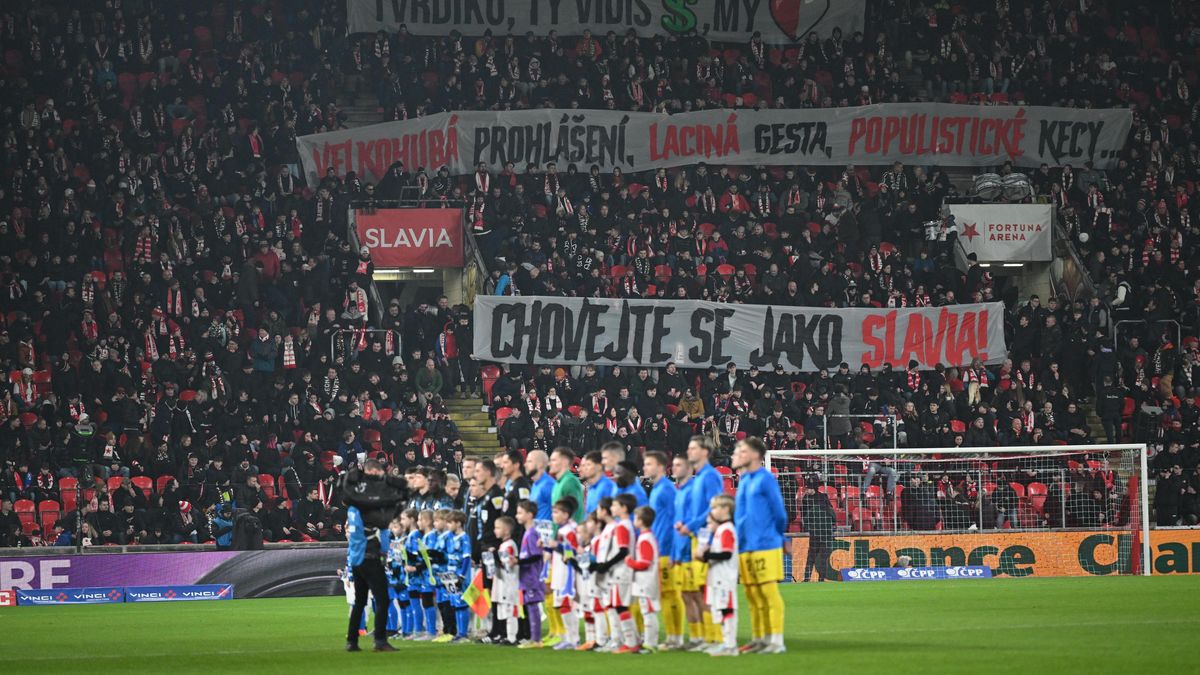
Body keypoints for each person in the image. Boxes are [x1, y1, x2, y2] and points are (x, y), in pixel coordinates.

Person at [731, 436, 788, 654]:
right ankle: (759, 638)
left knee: (768, 592)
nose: (738, 455)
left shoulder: (765, 478)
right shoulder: (745, 479)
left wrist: (777, 536)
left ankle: (776, 640)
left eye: (743, 451)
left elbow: (779, 513)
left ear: (755, 455)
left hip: (765, 544)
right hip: (745, 546)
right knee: (752, 594)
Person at [344, 459, 398, 652]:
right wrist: (384, 551)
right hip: (370, 556)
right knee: (382, 599)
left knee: (360, 601)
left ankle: (352, 641)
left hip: (356, 557)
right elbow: (383, 530)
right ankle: (380, 641)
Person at [676, 435, 725, 648]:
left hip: (709, 538)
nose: (689, 451)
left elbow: (715, 507)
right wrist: (688, 524)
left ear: (705, 452)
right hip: (698, 537)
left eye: (693, 448)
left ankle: (716, 637)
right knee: (700, 590)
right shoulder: (700, 478)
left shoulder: (710, 476)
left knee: (707, 590)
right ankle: (707, 637)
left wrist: (692, 524)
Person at [644, 451, 683, 649]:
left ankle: (676, 637)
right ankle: (672, 636)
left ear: (660, 467)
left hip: (667, 549)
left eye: (649, 464)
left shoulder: (667, 489)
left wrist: (674, 550)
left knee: (671, 594)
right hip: (658, 548)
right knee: (665, 594)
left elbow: (676, 519)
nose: (645, 468)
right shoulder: (657, 488)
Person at [698, 495, 739, 657]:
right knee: (721, 610)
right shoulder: (721, 530)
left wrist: (706, 555)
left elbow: (726, 554)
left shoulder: (727, 529)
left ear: (725, 509)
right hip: (718, 576)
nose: (713, 511)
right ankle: (725, 643)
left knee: (727, 609)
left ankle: (731, 645)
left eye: (715, 508)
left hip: (725, 576)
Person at [547, 497, 581, 650]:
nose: (553, 515)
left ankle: (573, 639)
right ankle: (569, 638)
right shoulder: (563, 529)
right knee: (563, 605)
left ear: (566, 514)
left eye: (556, 512)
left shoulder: (569, 531)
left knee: (567, 605)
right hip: (560, 570)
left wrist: (557, 546)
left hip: (567, 572)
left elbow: (573, 552)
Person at [627, 505, 661, 651]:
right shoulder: (646, 537)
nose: (634, 520)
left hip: (646, 581)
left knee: (648, 612)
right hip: (644, 581)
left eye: (635, 518)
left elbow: (645, 563)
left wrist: (630, 562)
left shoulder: (645, 539)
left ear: (641, 521)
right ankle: (648, 641)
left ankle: (650, 643)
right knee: (646, 611)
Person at [515, 499, 546, 648]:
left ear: (530, 515)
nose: (517, 516)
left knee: (533, 607)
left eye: (520, 513)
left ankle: (536, 639)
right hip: (526, 576)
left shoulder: (532, 533)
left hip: (532, 576)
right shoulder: (528, 532)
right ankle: (534, 638)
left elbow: (536, 555)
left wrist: (518, 561)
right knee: (529, 606)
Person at [489, 515, 521, 645]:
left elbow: (508, 564)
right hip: (502, 582)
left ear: (506, 530)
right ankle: (506, 635)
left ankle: (512, 638)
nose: (495, 530)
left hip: (509, 583)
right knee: (503, 610)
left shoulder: (509, 545)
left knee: (510, 609)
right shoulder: (503, 545)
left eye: (498, 528)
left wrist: (495, 558)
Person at [799, 477, 837, 583]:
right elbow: (832, 514)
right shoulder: (821, 497)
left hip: (817, 532)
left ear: (812, 488)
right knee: (821, 558)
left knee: (813, 557)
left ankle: (808, 579)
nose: (806, 490)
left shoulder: (809, 500)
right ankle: (818, 579)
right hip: (823, 533)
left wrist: (808, 526)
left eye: (807, 488)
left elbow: (805, 516)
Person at [549, 448, 585, 523]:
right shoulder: (558, 482)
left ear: (565, 462)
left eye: (553, 460)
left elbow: (575, 513)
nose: (549, 464)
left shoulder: (570, 482)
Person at [581, 450, 616, 515]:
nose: (585, 468)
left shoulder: (607, 487)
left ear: (599, 466)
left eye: (588, 465)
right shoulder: (591, 487)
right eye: (584, 465)